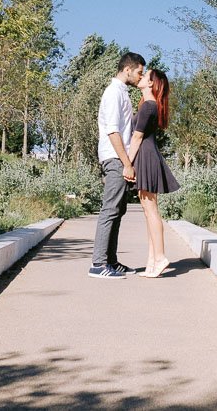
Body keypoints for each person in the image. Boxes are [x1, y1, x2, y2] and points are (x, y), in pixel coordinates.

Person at [88, 52, 146, 279]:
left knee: (118, 210)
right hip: (115, 158)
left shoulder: (121, 93)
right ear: (128, 69)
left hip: (117, 158)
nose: (140, 77)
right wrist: (126, 163)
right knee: (110, 209)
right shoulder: (113, 93)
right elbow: (113, 131)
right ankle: (98, 264)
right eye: (139, 72)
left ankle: (110, 261)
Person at [127, 69, 180, 278]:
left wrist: (127, 164)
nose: (140, 77)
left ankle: (160, 257)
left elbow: (137, 138)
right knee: (149, 213)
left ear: (151, 84)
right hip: (147, 156)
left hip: (145, 156)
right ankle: (152, 261)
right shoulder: (148, 104)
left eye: (145, 75)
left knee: (151, 212)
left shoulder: (149, 106)